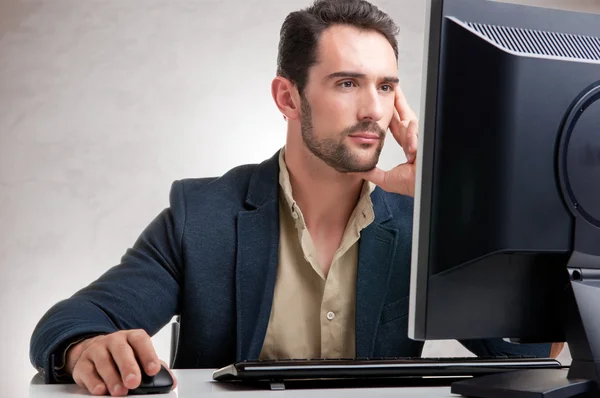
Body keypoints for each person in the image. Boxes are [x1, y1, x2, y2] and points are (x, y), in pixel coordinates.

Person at [30, 0, 563, 396]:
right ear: (288, 97)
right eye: (348, 84)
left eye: (385, 87)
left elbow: (531, 353)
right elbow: (70, 321)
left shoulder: (422, 221)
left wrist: (452, 203)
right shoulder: (204, 216)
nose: (374, 111)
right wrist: (85, 346)